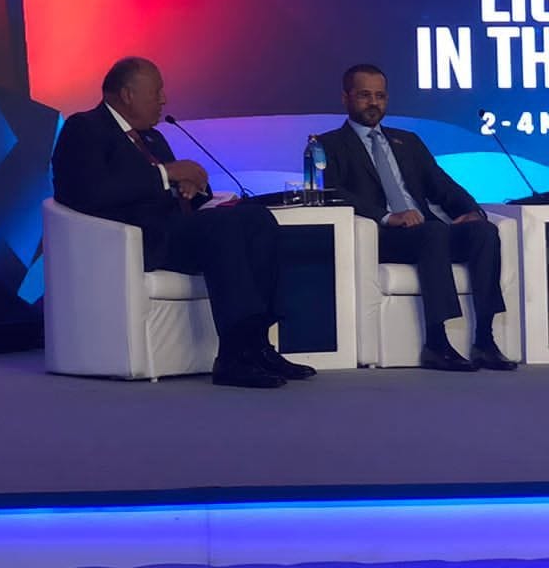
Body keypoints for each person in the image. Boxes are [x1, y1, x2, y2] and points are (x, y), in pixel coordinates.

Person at [51, 56, 313, 387]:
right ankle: (232, 357)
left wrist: (193, 188)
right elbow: (88, 192)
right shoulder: (85, 128)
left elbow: (175, 185)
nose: (163, 100)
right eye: (156, 92)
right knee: (222, 227)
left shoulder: (153, 138)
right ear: (128, 94)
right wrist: (166, 174)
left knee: (255, 216)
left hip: (178, 230)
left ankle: (259, 345)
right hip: (136, 239)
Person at [316, 64, 515, 371]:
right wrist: (387, 217)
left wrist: (471, 211)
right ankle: (437, 343)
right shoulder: (327, 145)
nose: (373, 103)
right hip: (385, 236)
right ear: (346, 98)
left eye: (380, 96)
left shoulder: (407, 141)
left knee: (484, 232)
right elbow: (332, 192)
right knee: (433, 232)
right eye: (365, 95)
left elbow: (442, 185)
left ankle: (485, 341)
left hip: (427, 233)